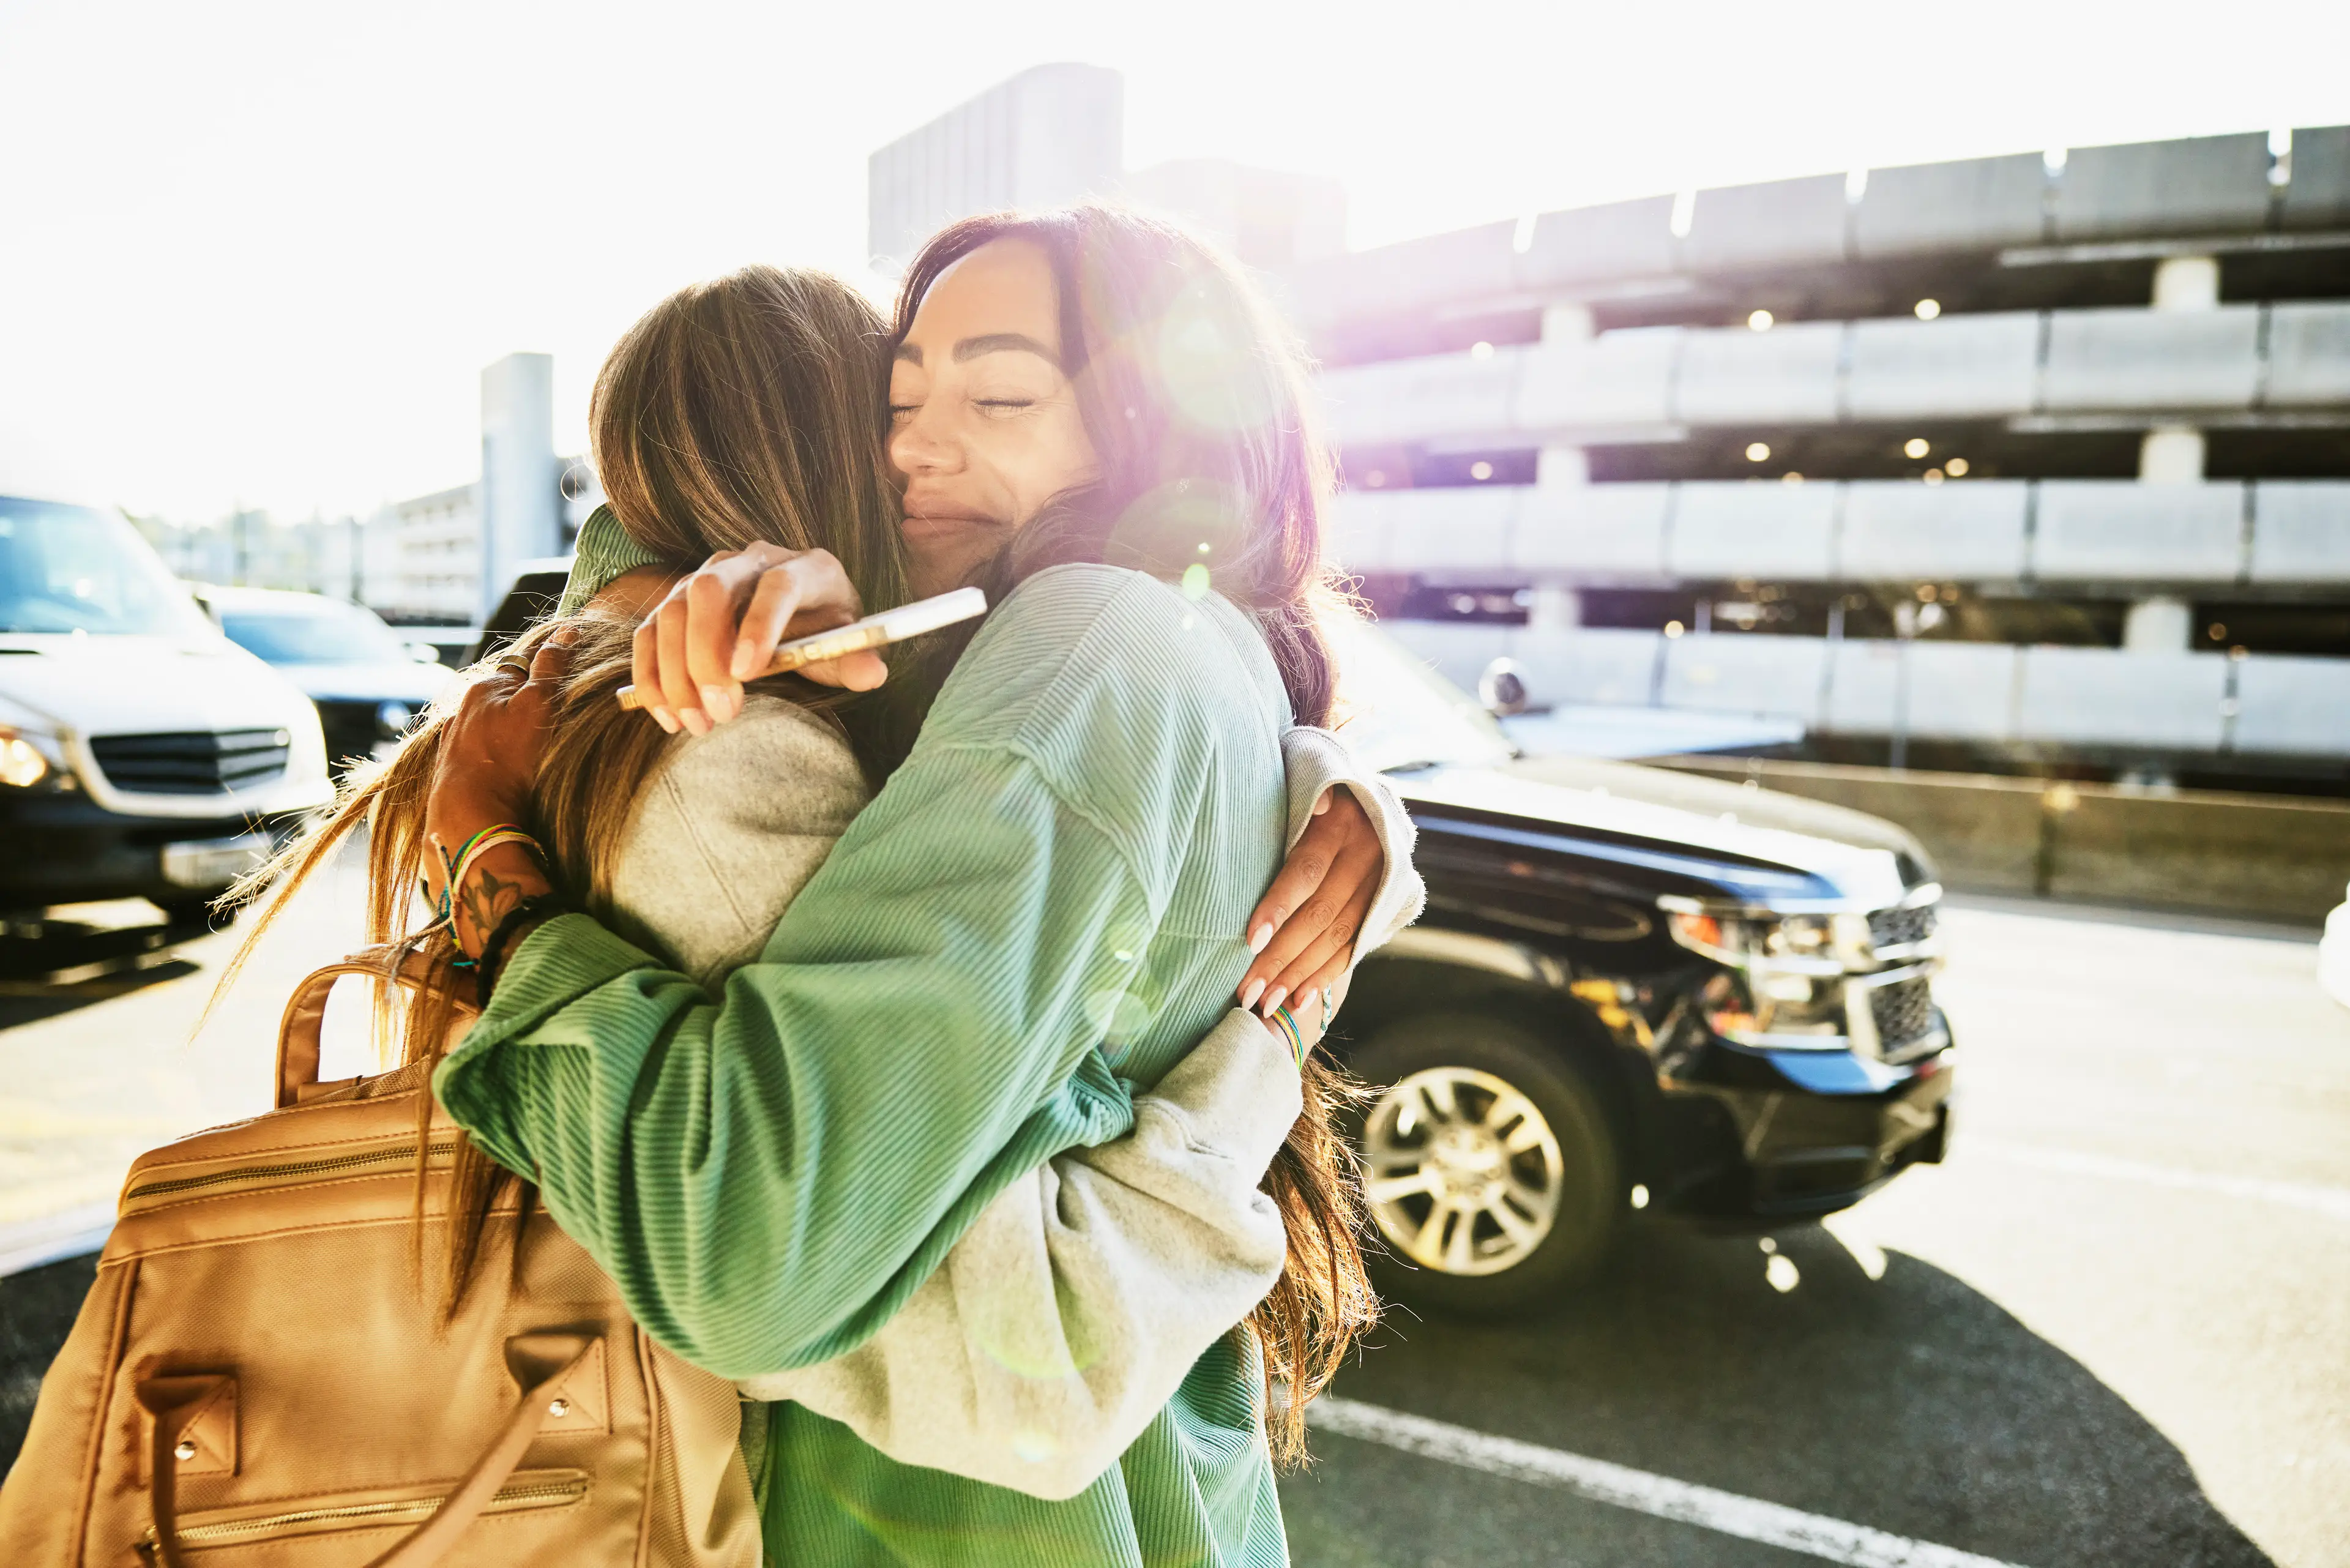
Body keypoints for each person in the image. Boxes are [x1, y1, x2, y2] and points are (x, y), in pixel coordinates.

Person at [422, 206, 1393, 1564]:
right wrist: (657, 574)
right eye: (894, 404)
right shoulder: (1115, 650)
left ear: (1158, 429)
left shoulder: (1085, 643)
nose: (913, 453)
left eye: (998, 394)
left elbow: (795, 1273)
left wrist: (502, 899)